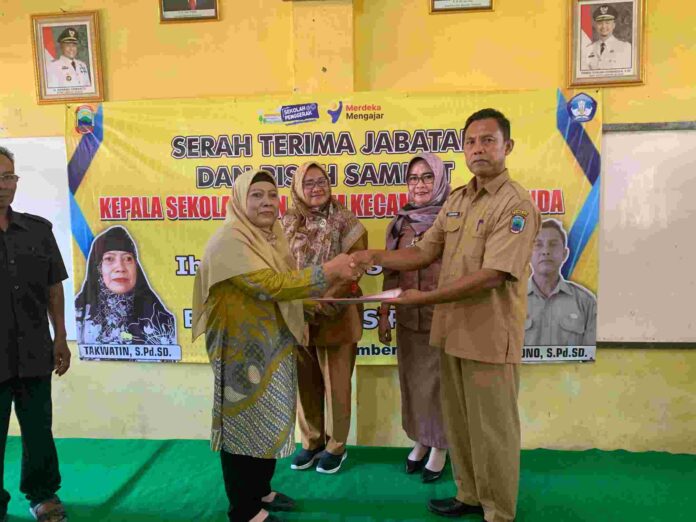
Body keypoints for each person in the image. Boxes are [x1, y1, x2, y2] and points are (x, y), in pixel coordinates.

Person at [352, 109, 540, 522]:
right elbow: (423, 251)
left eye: (488, 140)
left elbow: (493, 275)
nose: (478, 149)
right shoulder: (457, 200)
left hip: (489, 337)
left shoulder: (516, 205)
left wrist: (424, 298)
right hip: (452, 332)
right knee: (460, 424)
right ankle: (469, 495)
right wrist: (373, 256)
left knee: (493, 430)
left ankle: (498, 511)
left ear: (507, 146)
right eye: (471, 141)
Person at [191, 169, 358, 522]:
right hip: (240, 351)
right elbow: (271, 286)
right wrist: (329, 271)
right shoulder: (230, 241)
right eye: (257, 195)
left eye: (271, 195)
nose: (267, 202)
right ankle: (244, 509)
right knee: (242, 429)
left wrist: (311, 305)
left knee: (266, 420)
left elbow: (280, 289)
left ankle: (261, 491)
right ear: (239, 200)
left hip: (271, 345)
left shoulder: (268, 237)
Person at [281, 162, 367, 475]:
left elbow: (356, 266)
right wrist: (295, 300)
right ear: (297, 188)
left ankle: (336, 446)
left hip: (336, 312)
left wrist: (323, 302)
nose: (316, 188)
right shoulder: (287, 222)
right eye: (309, 183)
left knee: (337, 384)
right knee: (305, 383)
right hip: (298, 314)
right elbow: (278, 265)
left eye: (321, 181)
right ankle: (312, 441)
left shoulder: (346, 221)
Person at [0, 146, 70, 522]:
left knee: (38, 430)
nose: (4, 185)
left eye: (8, 176)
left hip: (33, 351)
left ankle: (42, 495)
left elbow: (53, 288)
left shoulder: (38, 231)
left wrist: (60, 337)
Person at [378, 153, 450, 482]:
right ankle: (421, 440)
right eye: (413, 178)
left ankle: (441, 446)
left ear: (440, 180)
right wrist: (384, 314)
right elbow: (391, 273)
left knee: (440, 386)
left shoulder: (452, 220)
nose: (419, 184)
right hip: (409, 318)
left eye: (427, 177)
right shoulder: (401, 224)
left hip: (442, 316)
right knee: (414, 384)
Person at [75, 225, 177, 346]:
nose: (120, 268)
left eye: (128, 259)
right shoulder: (78, 315)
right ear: (97, 268)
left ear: (136, 267)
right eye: (109, 259)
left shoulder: (161, 319)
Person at [525, 219, 597, 347]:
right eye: (538, 244)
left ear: (564, 254)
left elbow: (589, 354)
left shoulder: (586, 302)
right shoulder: (512, 302)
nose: (545, 251)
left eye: (553, 244)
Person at [581, 4, 632, 70]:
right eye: (600, 23)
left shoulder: (625, 48)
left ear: (613, 25)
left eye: (607, 23)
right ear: (596, 26)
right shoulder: (588, 49)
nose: (603, 26)